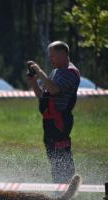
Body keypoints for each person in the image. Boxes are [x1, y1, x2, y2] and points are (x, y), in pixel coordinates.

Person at [27, 41, 80, 184]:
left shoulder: (70, 72)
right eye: (49, 57)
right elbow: (43, 96)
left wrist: (39, 70)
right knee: (54, 161)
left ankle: (68, 190)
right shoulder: (56, 71)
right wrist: (33, 82)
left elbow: (54, 90)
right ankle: (59, 188)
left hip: (60, 122)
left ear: (63, 54)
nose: (51, 60)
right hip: (49, 123)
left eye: (53, 56)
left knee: (62, 159)